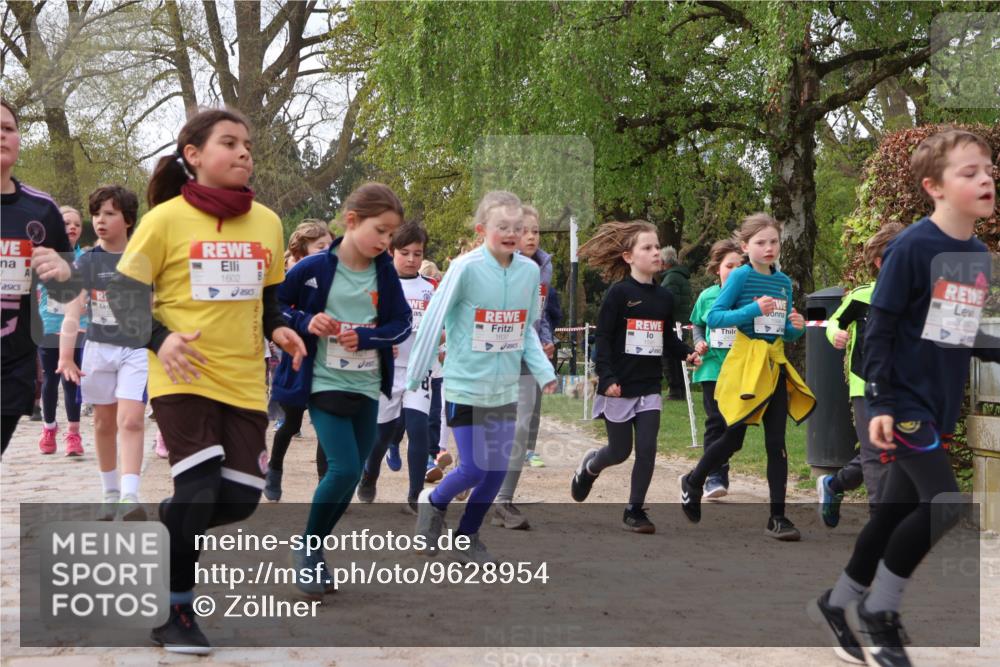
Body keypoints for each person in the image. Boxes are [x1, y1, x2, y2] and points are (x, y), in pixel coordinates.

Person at [112, 108, 306, 654]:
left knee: (240, 500)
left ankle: (171, 525)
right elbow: (123, 297)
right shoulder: (164, 220)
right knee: (196, 489)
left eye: (248, 144)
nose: (245, 152)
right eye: (230, 143)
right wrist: (160, 339)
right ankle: (174, 612)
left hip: (245, 380)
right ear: (194, 155)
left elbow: (269, 302)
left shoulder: (267, 222)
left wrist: (280, 331)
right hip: (181, 373)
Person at [809, 129, 998, 667]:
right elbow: (881, 330)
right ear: (933, 187)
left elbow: (956, 333)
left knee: (891, 514)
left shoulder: (976, 253)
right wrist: (882, 402)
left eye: (987, 169)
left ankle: (837, 600)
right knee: (945, 505)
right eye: (969, 172)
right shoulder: (912, 247)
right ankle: (880, 612)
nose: (984, 178)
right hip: (902, 403)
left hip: (936, 406)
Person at [276, 182, 410, 599]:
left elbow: (402, 324)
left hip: (367, 386)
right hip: (323, 383)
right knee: (345, 469)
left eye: (392, 235)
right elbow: (276, 306)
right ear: (352, 222)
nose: (386, 242)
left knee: (350, 475)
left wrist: (368, 339)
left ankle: (313, 548)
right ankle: (308, 546)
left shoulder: (384, 272)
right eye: (381, 231)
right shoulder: (314, 268)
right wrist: (305, 322)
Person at [409, 191, 557, 564]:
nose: (511, 233)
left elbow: (525, 330)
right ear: (482, 230)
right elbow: (434, 317)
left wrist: (544, 372)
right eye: (501, 226)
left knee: (497, 471)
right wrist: (416, 373)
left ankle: (467, 536)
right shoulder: (465, 268)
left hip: (505, 387)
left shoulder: (528, 272)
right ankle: (434, 502)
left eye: (517, 227)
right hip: (465, 385)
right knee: (474, 467)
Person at [679, 213, 815, 541]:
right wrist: (753, 310)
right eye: (761, 242)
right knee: (734, 438)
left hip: (773, 365)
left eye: (774, 242)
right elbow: (715, 316)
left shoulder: (783, 282)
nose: (769, 248)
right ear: (745, 246)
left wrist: (794, 328)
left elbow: (782, 331)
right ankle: (694, 481)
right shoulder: (740, 277)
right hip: (743, 364)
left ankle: (778, 518)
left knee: (776, 443)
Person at [570, 220, 701, 534]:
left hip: (649, 386)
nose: (656, 253)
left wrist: (687, 352)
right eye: (648, 248)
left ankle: (634, 510)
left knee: (647, 448)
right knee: (619, 451)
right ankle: (589, 467)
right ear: (629, 257)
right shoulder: (618, 294)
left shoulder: (664, 298)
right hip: (618, 386)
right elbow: (602, 338)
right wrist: (607, 377)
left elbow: (667, 340)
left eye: (657, 247)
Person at [58, 186, 149, 521]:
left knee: (131, 420)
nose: (100, 220)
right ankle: (109, 492)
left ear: (128, 219)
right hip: (99, 349)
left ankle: (130, 495)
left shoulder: (143, 258)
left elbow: (159, 306)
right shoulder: (86, 262)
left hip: (136, 350)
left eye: (109, 213)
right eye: (96, 214)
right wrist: (66, 357)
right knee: (102, 422)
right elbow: (73, 312)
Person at [815, 222, 904, 527]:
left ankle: (834, 485)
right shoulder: (861, 296)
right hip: (864, 384)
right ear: (881, 262)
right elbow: (832, 323)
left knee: (887, 449)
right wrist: (836, 333)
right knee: (876, 452)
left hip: (902, 387)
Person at [1, 99, 77, 454]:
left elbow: (69, 285)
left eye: (8, 128)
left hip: (13, 364)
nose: (2, 135)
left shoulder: (41, 208)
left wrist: (63, 271)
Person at [356, 221, 441, 512]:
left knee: (418, 429)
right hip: (386, 370)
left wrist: (442, 340)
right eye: (405, 253)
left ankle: (415, 495)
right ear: (392, 252)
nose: (411, 259)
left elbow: (446, 325)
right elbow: (363, 320)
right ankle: (370, 474)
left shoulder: (433, 289)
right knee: (382, 435)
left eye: (417, 254)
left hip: (420, 370)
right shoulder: (378, 283)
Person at [492, 204, 557, 530]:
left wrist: (546, 340)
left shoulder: (543, 267)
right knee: (487, 423)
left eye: (535, 231)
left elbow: (539, 313)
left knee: (520, 426)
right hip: (492, 355)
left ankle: (503, 499)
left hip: (528, 354)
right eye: (524, 231)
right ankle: (468, 476)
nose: (530, 237)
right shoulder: (489, 265)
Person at [263, 219, 333, 501]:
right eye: (320, 247)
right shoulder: (294, 276)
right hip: (299, 359)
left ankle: (325, 488)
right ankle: (275, 468)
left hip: (330, 361)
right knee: (291, 424)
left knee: (326, 427)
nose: (328, 251)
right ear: (301, 253)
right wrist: (303, 322)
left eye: (331, 245)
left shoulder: (342, 274)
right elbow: (279, 309)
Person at [688, 239, 745, 499]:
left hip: (743, 368)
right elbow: (697, 325)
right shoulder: (707, 297)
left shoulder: (750, 296)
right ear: (716, 269)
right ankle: (714, 476)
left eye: (740, 265)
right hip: (712, 366)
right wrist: (699, 342)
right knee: (715, 421)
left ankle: (702, 471)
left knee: (735, 427)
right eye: (728, 265)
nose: (734, 270)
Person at [36, 205, 87, 456]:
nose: (72, 228)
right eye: (66, 223)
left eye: (76, 224)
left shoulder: (86, 259)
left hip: (78, 328)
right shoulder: (43, 257)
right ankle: (49, 428)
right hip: (49, 325)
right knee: (49, 380)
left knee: (72, 381)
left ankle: (73, 435)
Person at [660, 245, 692, 400]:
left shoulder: (671, 278)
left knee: (669, 358)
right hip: (682, 322)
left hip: (673, 325)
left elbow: (670, 302)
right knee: (678, 358)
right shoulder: (680, 277)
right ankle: (681, 389)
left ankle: (675, 390)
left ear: (665, 262)